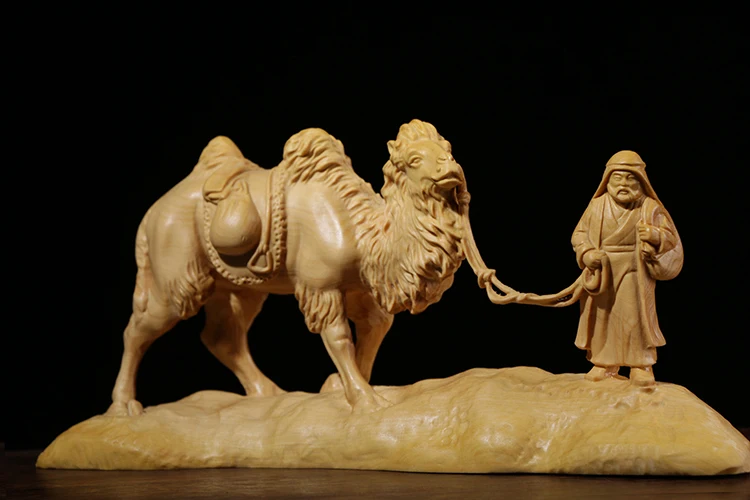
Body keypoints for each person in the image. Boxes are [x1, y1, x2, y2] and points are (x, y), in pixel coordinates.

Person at [571, 150, 683, 386]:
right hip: (603, 272)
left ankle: (641, 365)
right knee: (603, 318)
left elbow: (671, 238)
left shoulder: (649, 207)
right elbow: (579, 234)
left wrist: (654, 235)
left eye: (630, 178)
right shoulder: (597, 206)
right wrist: (587, 253)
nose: (623, 184)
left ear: (641, 181)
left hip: (635, 271)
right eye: (617, 178)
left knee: (634, 317)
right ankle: (604, 363)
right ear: (607, 180)